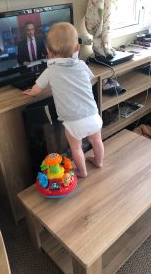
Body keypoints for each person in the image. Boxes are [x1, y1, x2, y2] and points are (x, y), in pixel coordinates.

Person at [23, 22, 104, 177]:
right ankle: (99, 162)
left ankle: (82, 171)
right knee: (96, 141)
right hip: (93, 115)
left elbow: (37, 89)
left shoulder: (50, 71)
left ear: (48, 51)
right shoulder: (81, 65)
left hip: (73, 122)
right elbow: (90, 81)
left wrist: (31, 92)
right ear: (77, 49)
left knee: (77, 148)